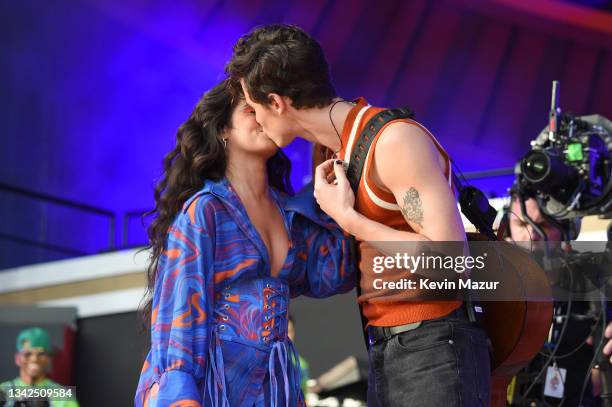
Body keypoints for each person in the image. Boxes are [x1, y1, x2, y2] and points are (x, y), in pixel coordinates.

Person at [226, 24, 490, 407]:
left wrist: (351, 220)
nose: (256, 120)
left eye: (253, 107)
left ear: (277, 102)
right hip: (387, 346)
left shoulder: (394, 141)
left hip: (435, 344)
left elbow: (452, 261)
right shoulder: (329, 152)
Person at [134, 80, 354, 407]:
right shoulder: (206, 209)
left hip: (274, 389)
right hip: (215, 388)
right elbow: (181, 316)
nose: (263, 117)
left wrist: (339, 202)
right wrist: (181, 398)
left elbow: (334, 274)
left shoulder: (289, 210)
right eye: (251, 110)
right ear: (224, 128)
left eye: (268, 108)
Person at [505, 191, 596, 406]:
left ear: (568, 231)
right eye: (521, 224)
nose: (531, 236)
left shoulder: (594, 283)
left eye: (543, 226)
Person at [0, 327, 79, 407]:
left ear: (48, 358)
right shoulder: (3, 391)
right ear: (18, 358)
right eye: (27, 354)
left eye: (41, 354)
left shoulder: (62, 395)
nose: (34, 359)